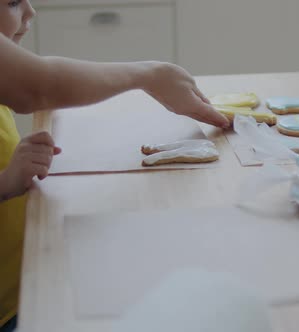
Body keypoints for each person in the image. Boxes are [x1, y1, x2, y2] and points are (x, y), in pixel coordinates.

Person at [0, 1, 229, 330]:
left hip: (25, 280)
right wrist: (6, 183)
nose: (30, 12)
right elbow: (41, 84)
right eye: (12, 2)